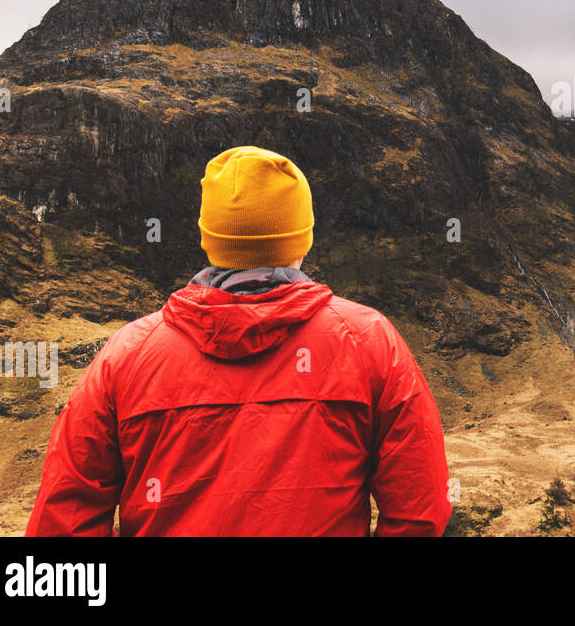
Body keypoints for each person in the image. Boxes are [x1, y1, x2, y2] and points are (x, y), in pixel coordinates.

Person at [26, 145, 451, 536]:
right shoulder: (369, 341)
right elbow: (420, 505)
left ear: (209, 239)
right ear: (302, 238)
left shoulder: (128, 354)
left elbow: (65, 515)